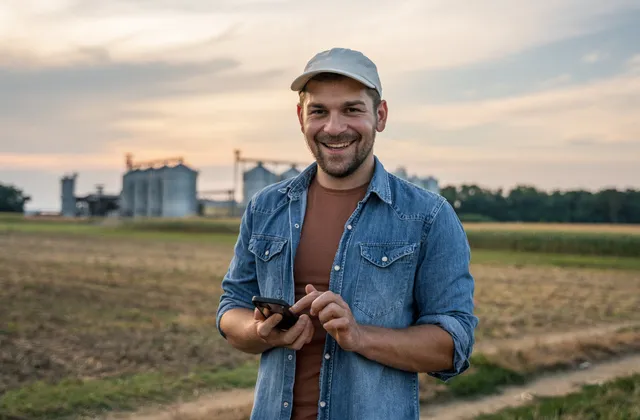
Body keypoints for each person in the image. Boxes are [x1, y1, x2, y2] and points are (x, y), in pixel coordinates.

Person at [216, 47, 478, 420]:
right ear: (300, 117)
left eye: (352, 110)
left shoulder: (428, 216)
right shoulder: (266, 207)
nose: (334, 128)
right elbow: (230, 312)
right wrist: (262, 332)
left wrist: (360, 336)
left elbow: (454, 346)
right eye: (318, 111)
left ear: (380, 115)